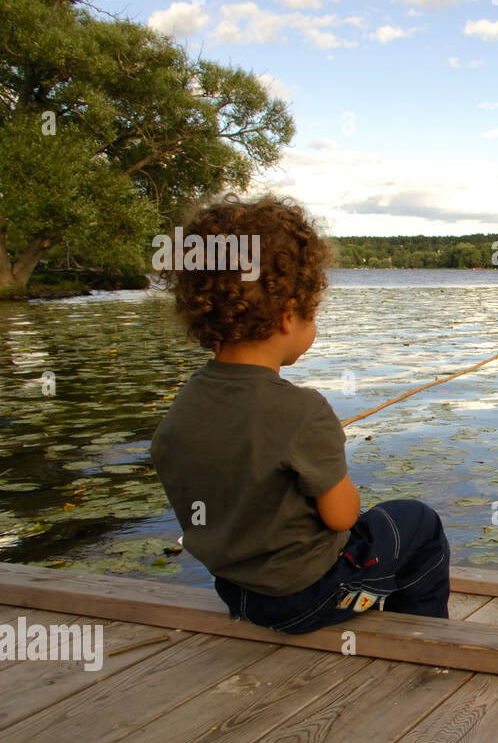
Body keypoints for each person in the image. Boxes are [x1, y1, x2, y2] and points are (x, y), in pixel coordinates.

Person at [151, 193, 451, 634]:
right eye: (314, 312)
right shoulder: (304, 410)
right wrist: (329, 455)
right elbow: (342, 517)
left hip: (237, 594)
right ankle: (422, 634)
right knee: (416, 520)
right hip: (308, 598)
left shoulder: (187, 401)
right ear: (288, 316)